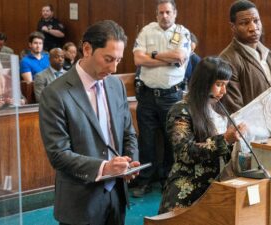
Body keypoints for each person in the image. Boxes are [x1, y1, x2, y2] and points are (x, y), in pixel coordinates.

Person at [38, 20, 140, 225]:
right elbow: (58, 154)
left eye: (118, 60)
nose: (113, 68)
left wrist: (130, 162)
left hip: (117, 196)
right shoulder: (55, 93)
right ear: (86, 49)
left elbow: (128, 132)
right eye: (108, 59)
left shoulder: (116, 85)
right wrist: (105, 168)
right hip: (80, 203)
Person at [158, 56, 244, 213]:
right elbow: (185, 152)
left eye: (226, 85)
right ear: (204, 84)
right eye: (219, 85)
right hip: (190, 189)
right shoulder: (181, 110)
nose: (224, 91)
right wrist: (224, 140)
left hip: (219, 186)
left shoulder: (220, 109)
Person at [132, 0, 191, 197]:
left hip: (171, 96)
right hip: (147, 96)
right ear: (156, 14)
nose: (164, 16)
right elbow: (138, 59)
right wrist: (166, 59)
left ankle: (168, 180)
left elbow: (179, 57)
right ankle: (144, 180)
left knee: (170, 141)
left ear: (175, 13)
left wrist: (153, 55)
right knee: (146, 142)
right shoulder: (147, 31)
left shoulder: (183, 32)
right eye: (161, 13)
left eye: (168, 12)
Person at [219, 0, 271, 135]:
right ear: (233, 27)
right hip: (256, 142)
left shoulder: (270, 56)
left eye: (256, 21)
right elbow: (236, 111)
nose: (253, 27)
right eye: (244, 23)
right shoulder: (228, 60)